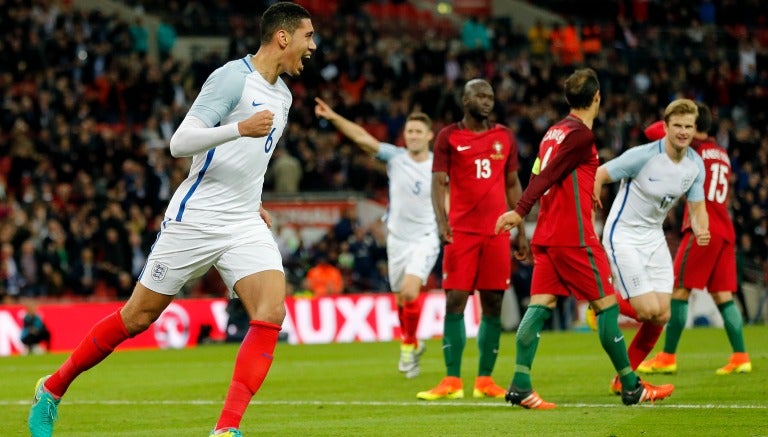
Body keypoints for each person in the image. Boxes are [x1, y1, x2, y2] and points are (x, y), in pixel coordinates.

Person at [28, 4, 316, 437]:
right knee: (137, 317)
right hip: (195, 218)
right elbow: (180, 143)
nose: (312, 46)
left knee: (271, 310)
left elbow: (252, 161)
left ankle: (226, 429)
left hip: (242, 221)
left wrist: (253, 200)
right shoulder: (231, 78)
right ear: (282, 37)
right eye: (307, 36)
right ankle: (51, 389)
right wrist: (238, 128)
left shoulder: (285, 96)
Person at [496, 68, 674, 409]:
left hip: (548, 234)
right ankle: (631, 385)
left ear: (567, 100)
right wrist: (519, 210)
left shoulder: (553, 132)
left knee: (539, 307)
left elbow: (541, 171)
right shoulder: (581, 135)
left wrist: (582, 191)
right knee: (606, 306)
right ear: (597, 98)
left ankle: (520, 384)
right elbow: (546, 176)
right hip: (573, 236)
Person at [417, 78, 529, 400]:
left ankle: (484, 380)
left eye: (490, 96)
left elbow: (512, 184)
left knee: (493, 303)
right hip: (461, 232)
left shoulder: (505, 136)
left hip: (496, 232)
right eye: (480, 95)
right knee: (455, 300)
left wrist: (520, 229)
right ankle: (452, 380)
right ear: (465, 101)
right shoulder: (448, 137)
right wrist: (441, 222)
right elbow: (439, 183)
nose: (487, 100)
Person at [314, 97, 440, 378]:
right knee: (400, 300)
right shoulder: (395, 158)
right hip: (397, 238)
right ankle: (414, 341)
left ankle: (408, 346)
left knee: (409, 292)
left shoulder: (438, 165)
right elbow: (362, 138)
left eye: (419, 132)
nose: (414, 136)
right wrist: (334, 117)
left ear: (430, 135)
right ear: (404, 135)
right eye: (410, 132)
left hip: (427, 235)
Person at [592, 98, 711, 394]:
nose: (683, 132)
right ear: (667, 127)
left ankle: (623, 380)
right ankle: (601, 302)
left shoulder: (695, 165)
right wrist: (592, 206)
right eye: (677, 126)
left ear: (695, 129)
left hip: (653, 236)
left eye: (688, 127)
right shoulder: (643, 156)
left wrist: (701, 228)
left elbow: (697, 208)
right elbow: (600, 175)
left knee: (663, 314)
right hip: (624, 234)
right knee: (647, 311)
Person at [637, 103, 751, 377]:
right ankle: (740, 356)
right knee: (723, 296)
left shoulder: (693, 149)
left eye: (687, 123)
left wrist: (675, 113)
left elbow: (651, 131)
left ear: (693, 126)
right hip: (725, 228)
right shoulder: (721, 152)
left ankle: (667, 356)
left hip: (703, 227)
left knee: (679, 290)